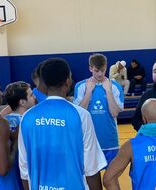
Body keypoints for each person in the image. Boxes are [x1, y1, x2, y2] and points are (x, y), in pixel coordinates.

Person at [19, 58, 107, 189]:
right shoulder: (81, 115)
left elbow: (24, 170)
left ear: (43, 83)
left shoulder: (27, 117)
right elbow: (91, 168)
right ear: (68, 81)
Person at [74, 53, 124, 166]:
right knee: (91, 180)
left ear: (106, 67)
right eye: (97, 70)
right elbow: (79, 113)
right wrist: (88, 92)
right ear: (90, 68)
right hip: (89, 142)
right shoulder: (81, 86)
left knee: (111, 179)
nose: (100, 74)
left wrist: (108, 91)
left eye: (103, 70)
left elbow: (115, 112)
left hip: (110, 142)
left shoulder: (115, 86)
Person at [4, 81, 36, 189]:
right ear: (22, 102)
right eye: (31, 95)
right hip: (26, 175)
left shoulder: (2, 121)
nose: (35, 97)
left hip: (9, 178)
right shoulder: (30, 123)